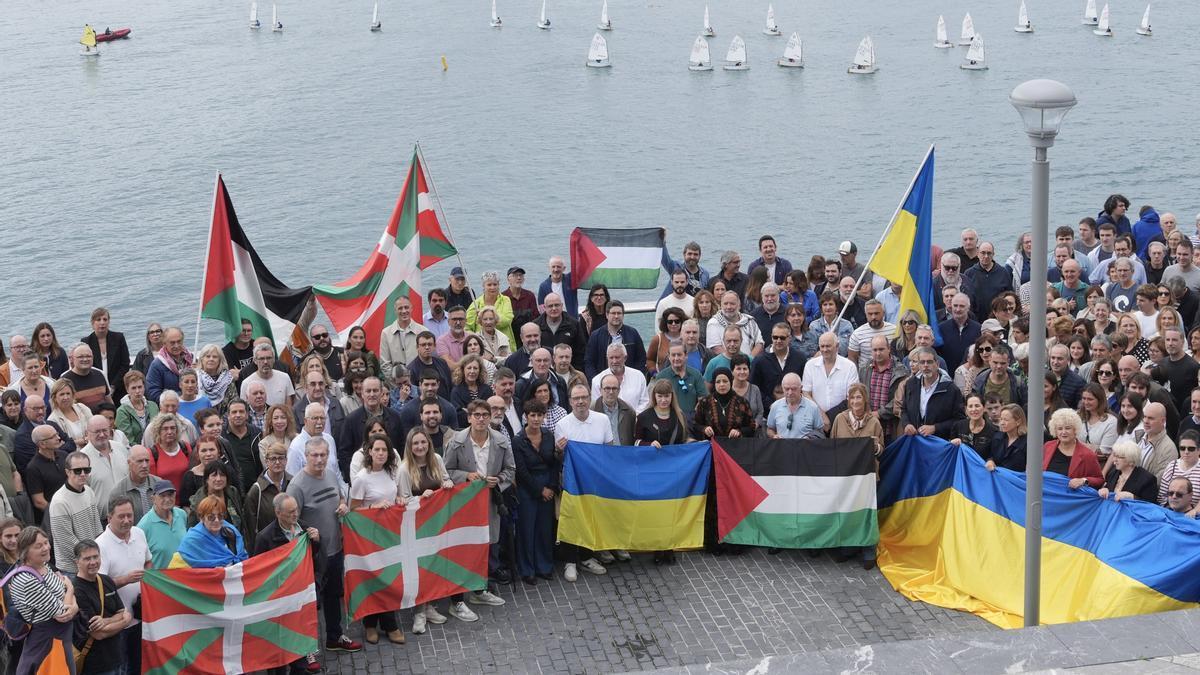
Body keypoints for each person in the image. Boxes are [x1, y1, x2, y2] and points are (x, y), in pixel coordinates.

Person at [284, 437, 362, 654]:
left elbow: (339, 498)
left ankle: (334, 637)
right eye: (314, 455)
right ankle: (305, 650)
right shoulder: (297, 485)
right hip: (311, 556)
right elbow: (290, 521)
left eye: (323, 455)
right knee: (308, 604)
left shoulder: (329, 475)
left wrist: (344, 505)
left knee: (333, 596)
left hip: (335, 550)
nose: (319, 459)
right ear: (306, 456)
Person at [443, 400, 513, 607]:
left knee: (488, 543)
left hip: (490, 501)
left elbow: (511, 469)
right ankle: (465, 590)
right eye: (477, 415)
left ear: (490, 417)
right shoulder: (456, 442)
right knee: (466, 546)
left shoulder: (500, 441)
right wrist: (466, 476)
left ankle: (480, 588)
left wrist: (499, 480)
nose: (481, 419)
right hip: (465, 504)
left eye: (485, 415)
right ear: (469, 418)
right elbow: (446, 472)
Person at [252, 493, 325, 673]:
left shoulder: (304, 529)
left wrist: (317, 541)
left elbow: (315, 560)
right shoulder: (264, 537)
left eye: (296, 510)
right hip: (278, 605)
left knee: (298, 657)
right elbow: (258, 572)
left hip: (299, 601)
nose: (295, 514)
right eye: (290, 511)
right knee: (277, 660)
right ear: (278, 513)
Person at [347, 433, 406, 645]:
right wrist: (372, 507)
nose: (381, 453)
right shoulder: (362, 478)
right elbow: (353, 511)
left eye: (384, 450)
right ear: (369, 452)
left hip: (389, 533)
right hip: (369, 537)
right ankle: (383, 625)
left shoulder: (392, 472)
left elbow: (395, 494)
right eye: (377, 450)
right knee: (375, 579)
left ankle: (376, 623)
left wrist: (398, 498)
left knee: (389, 577)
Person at [553, 386, 612, 581]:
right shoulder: (562, 424)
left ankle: (587, 557)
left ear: (590, 398)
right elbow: (559, 458)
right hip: (572, 481)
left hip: (596, 480)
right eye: (576, 398)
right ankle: (570, 561)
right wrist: (559, 450)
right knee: (572, 518)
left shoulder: (602, 420)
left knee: (592, 518)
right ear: (570, 401)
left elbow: (609, 449)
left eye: (584, 397)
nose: (580, 402)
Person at [6, 527, 78, 675]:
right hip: (47, 644)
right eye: (38, 546)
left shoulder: (43, 566)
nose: (46, 548)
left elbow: (67, 603)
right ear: (25, 552)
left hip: (60, 639)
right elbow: (63, 613)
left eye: (46, 542)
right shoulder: (26, 580)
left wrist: (73, 605)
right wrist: (70, 590)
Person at [95, 496, 150, 675]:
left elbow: (148, 562)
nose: (126, 520)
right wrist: (125, 580)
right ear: (109, 518)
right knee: (121, 668)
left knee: (139, 665)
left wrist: (149, 578)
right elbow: (98, 586)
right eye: (121, 516)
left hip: (142, 616)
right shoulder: (100, 545)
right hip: (118, 622)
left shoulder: (139, 533)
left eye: (130, 515)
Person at [513, 400, 560, 583]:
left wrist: (551, 487)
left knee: (544, 529)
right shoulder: (518, 440)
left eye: (539, 415)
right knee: (527, 529)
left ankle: (544, 566)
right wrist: (539, 490)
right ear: (526, 417)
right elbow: (521, 471)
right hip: (528, 489)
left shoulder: (549, 435)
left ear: (544, 416)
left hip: (547, 483)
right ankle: (527, 570)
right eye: (532, 415)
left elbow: (554, 463)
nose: (536, 419)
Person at [48, 452, 103, 574]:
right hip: (72, 570)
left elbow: (97, 528)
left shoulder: (89, 491)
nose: (83, 474)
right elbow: (66, 541)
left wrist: (95, 557)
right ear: (67, 472)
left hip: (91, 562)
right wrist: (91, 557)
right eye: (78, 471)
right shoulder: (59, 502)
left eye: (87, 470)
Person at [802, 332, 860, 430]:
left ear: (837, 346)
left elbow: (851, 397)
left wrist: (832, 418)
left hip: (843, 422)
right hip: (816, 422)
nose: (825, 350)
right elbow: (806, 393)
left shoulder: (849, 366)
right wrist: (821, 416)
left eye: (828, 346)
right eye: (822, 346)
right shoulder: (810, 365)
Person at [584, 301, 647, 380]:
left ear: (623, 315)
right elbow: (589, 362)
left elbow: (641, 359)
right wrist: (596, 381)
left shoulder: (633, 333)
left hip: (629, 380)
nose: (616, 316)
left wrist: (636, 378)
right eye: (613, 313)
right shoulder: (596, 336)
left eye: (619, 313)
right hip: (603, 383)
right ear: (607, 315)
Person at [1043, 408, 1103, 489]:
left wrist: (1083, 480)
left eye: (1067, 428)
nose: (1063, 432)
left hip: (1069, 498)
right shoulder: (1047, 446)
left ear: (1075, 429)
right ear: (1055, 431)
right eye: (1060, 428)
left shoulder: (1087, 454)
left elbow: (1099, 480)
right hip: (1045, 494)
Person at [137, 480, 187, 569]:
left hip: (182, 578)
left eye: (170, 495)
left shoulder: (182, 514)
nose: (167, 499)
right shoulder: (143, 526)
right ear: (153, 499)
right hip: (159, 581)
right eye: (162, 496)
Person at [145, 328, 192, 403]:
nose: (176, 345)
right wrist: (180, 397)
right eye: (172, 343)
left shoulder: (190, 358)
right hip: (171, 409)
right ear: (164, 343)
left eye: (179, 341)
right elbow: (152, 393)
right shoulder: (157, 365)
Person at [61, 343, 112, 414]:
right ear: (72, 359)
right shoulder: (65, 380)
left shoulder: (100, 374)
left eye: (88, 356)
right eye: (80, 357)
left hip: (102, 421)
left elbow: (108, 400)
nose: (85, 359)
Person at [115, 371, 158, 447]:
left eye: (140, 387)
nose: (137, 391)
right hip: (134, 452)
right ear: (127, 389)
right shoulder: (122, 411)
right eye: (133, 388)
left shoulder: (153, 406)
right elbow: (128, 440)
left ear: (144, 387)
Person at [591, 374, 636, 446]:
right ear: (600, 390)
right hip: (601, 455)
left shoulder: (628, 411)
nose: (611, 392)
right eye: (607, 388)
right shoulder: (592, 410)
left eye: (614, 388)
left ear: (619, 390)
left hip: (622, 454)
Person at [1079, 383, 1118, 462]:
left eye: (1090, 399)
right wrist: (1092, 447)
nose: (1086, 402)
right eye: (1084, 398)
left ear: (1100, 400)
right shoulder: (1077, 416)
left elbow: (1103, 452)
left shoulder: (1111, 422)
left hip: (1097, 465)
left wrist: (1077, 444)